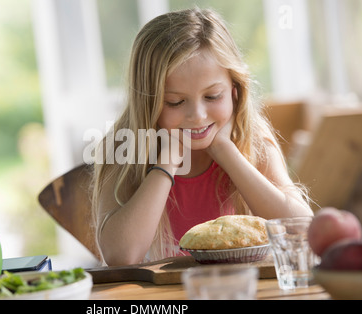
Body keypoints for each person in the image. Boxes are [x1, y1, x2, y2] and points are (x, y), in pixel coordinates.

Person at [90, 8, 312, 266]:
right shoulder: (124, 145)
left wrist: (226, 152)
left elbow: (302, 230)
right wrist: (167, 164)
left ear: (235, 90)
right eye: (175, 102)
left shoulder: (252, 139)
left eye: (212, 96)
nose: (197, 115)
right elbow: (122, 256)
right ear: (147, 103)